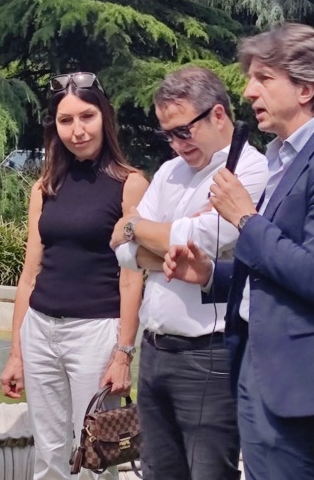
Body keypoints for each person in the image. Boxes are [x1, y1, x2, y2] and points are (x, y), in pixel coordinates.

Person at [163, 23, 314, 480]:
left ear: (306, 89)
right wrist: (209, 274)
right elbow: (270, 270)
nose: (249, 91)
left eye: (264, 78)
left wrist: (245, 219)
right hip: (259, 363)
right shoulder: (280, 157)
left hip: (300, 378)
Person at [110, 66, 268, 479]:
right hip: (155, 349)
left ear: (217, 114)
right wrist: (154, 237)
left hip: (209, 352)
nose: (177, 144)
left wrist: (135, 225)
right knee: (157, 472)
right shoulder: (169, 171)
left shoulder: (250, 170)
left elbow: (200, 241)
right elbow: (123, 251)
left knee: (209, 472)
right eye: (168, 135)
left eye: (183, 131)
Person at [0, 71, 148, 480]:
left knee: (95, 457)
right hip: (40, 329)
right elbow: (30, 274)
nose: (77, 130)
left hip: (95, 333)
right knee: (48, 455)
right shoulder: (45, 186)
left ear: (104, 117)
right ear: (55, 126)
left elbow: (131, 277)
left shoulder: (130, 184)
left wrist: (123, 354)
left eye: (87, 116)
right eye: (66, 120)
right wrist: (16, 353)